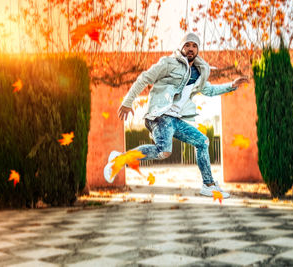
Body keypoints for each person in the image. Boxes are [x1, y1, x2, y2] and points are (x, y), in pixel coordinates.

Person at [104, 32, 248, 198]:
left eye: (194, 46)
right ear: (181, 47)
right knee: (164, 151)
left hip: (175, 120)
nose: (190, 49)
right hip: (160, 115)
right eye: (187, 45)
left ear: (198, 50)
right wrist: (128, 102)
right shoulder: (168, 63)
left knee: (202, 141)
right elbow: (144, 78)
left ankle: (208, 184)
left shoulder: (199, 73)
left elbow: (209, 90)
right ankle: (119, 160)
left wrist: (231, 85)